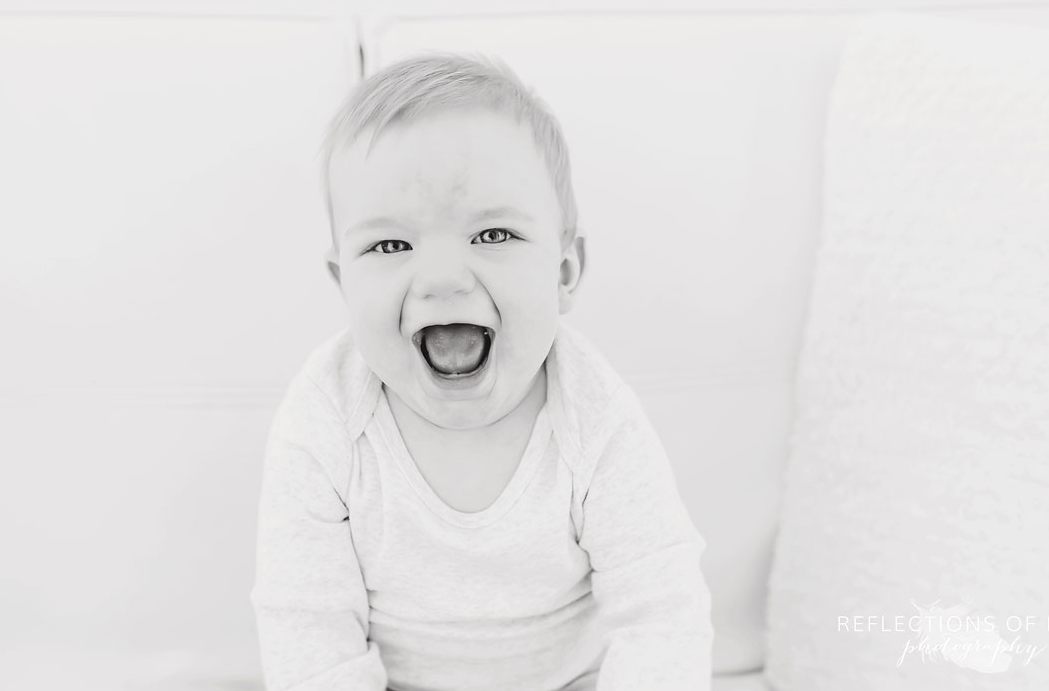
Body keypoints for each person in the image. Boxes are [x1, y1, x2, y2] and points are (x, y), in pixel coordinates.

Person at [250, 53, 713, 691]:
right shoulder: (326, 418)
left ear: (563, 272)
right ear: (344, 283)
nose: (442, 277)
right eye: (390, 246)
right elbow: (307, 630)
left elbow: (663, 613)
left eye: (493, 234)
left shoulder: (594, 415)